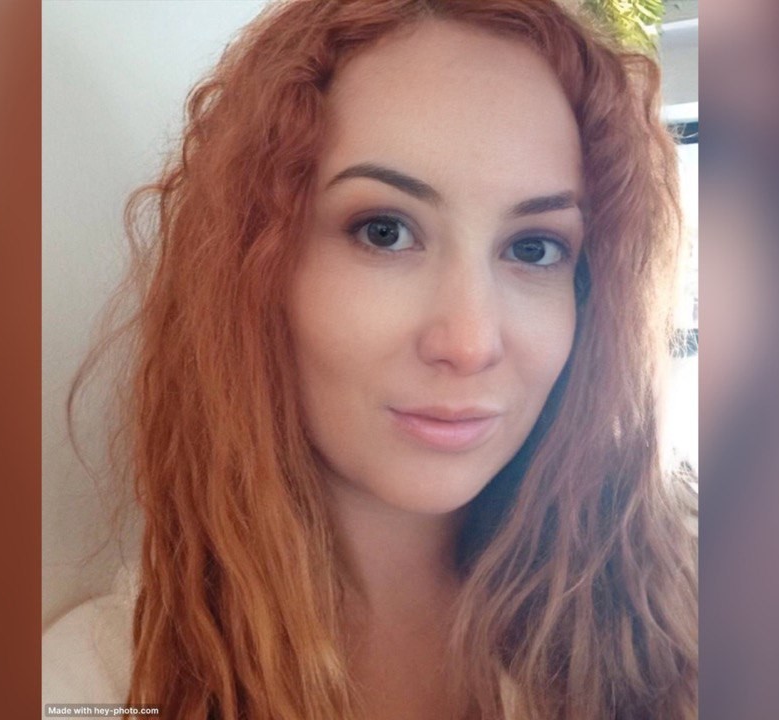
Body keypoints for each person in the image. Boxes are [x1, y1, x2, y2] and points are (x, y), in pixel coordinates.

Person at [51, 1, 697, 718]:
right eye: (384, 231)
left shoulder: (703, 615)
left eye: (534, 247)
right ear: (252, 269)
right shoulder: (98, 686)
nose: (469, 342)